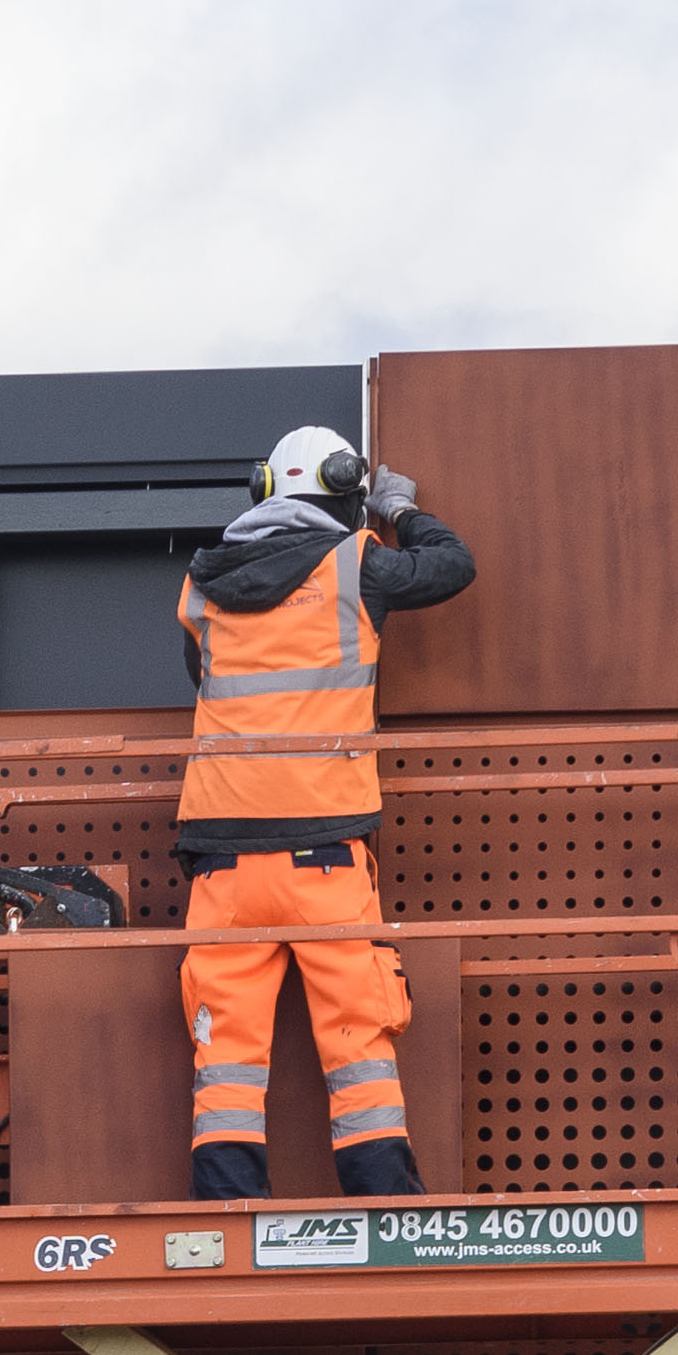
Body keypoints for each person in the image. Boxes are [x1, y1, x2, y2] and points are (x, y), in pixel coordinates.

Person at [170, 422, 480, 1202]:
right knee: (356, 1034)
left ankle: (229, 1206)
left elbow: (200, 675)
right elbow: (451, 568)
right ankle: (381, 1199)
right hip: (325, 847)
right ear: (345, 494)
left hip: (220, 856)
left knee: (226, 1045)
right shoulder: (356, 565)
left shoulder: (201, 584)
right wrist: (398, 510)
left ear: (262, 488)